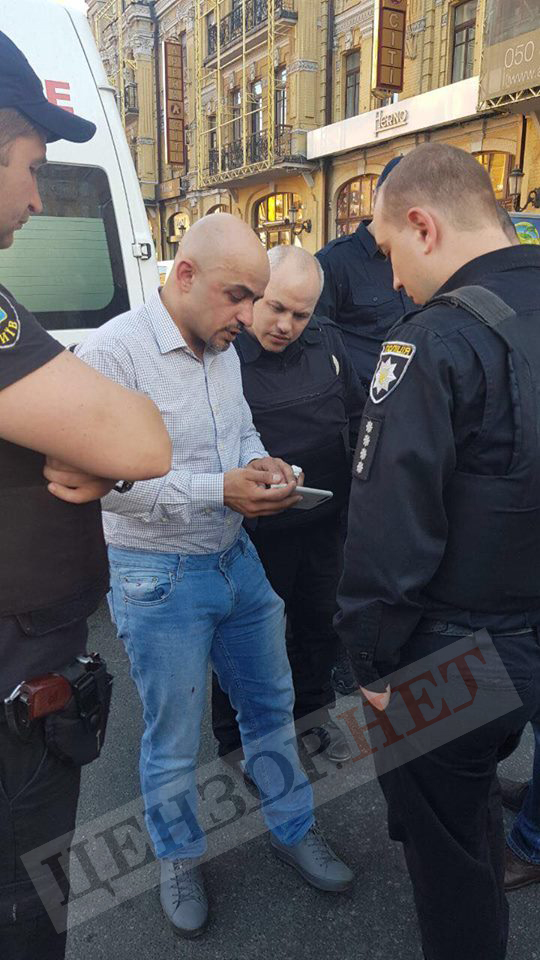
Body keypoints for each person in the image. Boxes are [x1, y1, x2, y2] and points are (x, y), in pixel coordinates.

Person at [77, 213, 354, 940]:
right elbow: (102, 484)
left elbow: (240, 432)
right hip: (155, 575)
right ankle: (178, 857)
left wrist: (263, 464)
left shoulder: (223, 348)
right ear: (185, 273)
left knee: (273, 707)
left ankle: (293, 828)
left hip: (236, 560)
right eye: (239, 296)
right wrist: (218, 490)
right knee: (173, 737)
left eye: (257, 299)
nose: (250, 316)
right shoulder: (113, 352)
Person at [335, 143, 540, 960]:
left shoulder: (434, 339)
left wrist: (372, 664)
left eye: (390, 251)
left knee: (451, 860)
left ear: (423, 226)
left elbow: (389, 527)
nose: (391, 279)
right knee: (472, 805)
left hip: (457, 650)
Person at [0, 32, 171, 960]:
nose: (37, 198)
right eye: (31, 168)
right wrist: (107, 454)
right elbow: (141, 437)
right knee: (25, 910)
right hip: (15, 687)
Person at [211, 245, 365, 766]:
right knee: (247, 640)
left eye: (301, 314)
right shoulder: (223, 351)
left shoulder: (328, 341)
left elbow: (355, 413)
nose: (285, 325)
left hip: (324, 523)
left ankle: (313, 716)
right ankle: (237, 742)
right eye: (275, 307)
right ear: (255, 294)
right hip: (253, 530)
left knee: (319, 626)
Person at [315, 156, 413, 393]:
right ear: (377, 196)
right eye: (397, 198)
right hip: (360, 400)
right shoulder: (334, 261)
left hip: (412, 393)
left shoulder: (418, 259)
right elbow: (316, 339)